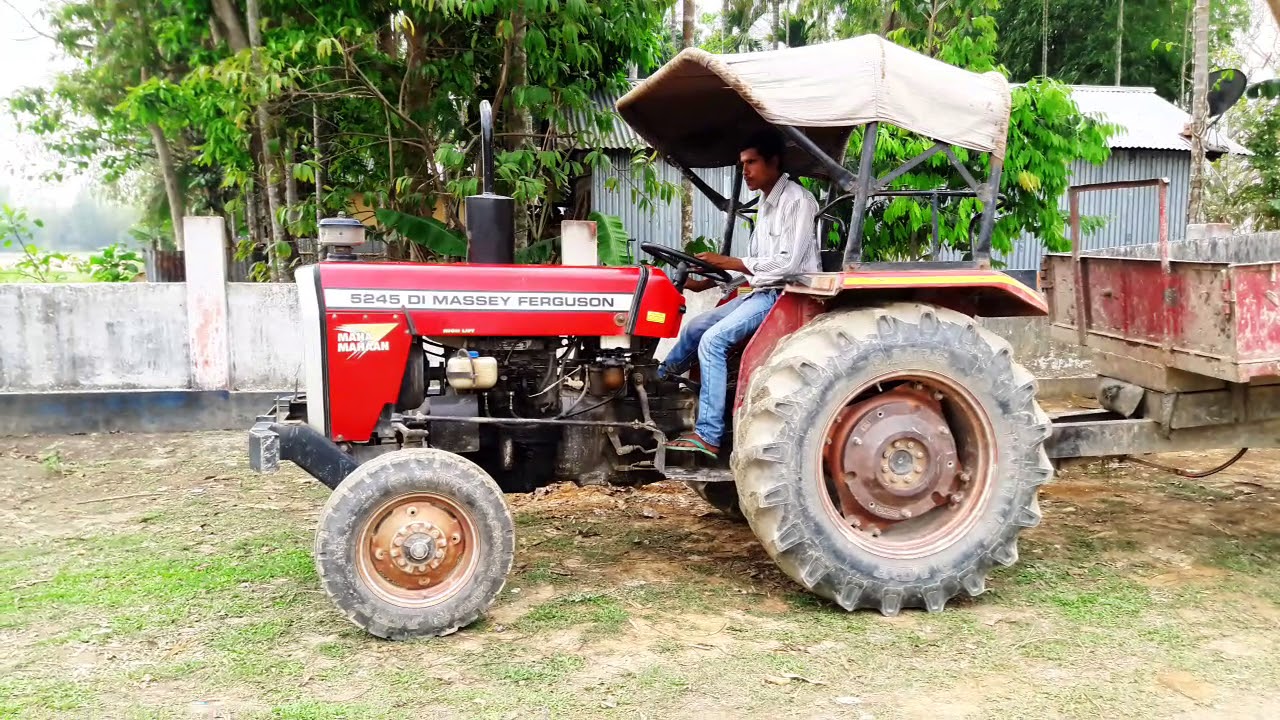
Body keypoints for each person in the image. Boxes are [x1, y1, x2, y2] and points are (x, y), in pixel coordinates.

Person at [659, 128, 820, 458]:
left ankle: (708, 435)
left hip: (783, 296)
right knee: (694, 328)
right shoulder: (765, 203)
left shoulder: (798, 202)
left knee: (713, 341)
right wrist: (711, 279)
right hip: (760, 292)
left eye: (751, 162)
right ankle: (654, 386)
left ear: (773, 162)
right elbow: (754, 263)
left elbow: (786, 264)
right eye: (742, 163)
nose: (745, 170)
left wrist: (730, 261)